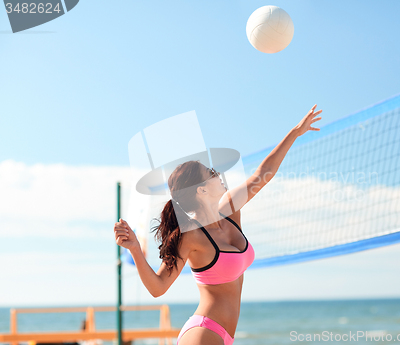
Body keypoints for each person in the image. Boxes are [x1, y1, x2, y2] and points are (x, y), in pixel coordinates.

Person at [114, 104, 322, 345]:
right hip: (203, 332)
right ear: (201, 190)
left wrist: (296, 132)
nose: (218, 174)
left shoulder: (231, 210)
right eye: (211, 172)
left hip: (225, 335)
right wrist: (136, 250)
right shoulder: (191, 236)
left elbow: (263, 174)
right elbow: (158, 287)